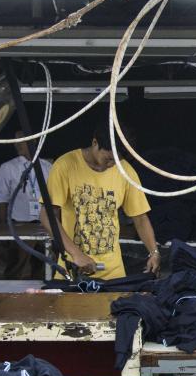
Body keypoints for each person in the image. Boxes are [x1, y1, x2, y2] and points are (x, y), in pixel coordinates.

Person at [40, 118, 160, 280]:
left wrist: (154, 252)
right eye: (108, 158)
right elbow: (47, 215)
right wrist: (76, 254)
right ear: (95, 143)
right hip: (73, 268)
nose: (111, 164)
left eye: (117, 160)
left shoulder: (126, 171)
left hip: (113, 274)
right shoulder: (65, 165)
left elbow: (140, 218)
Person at [0, 130, 52, 279]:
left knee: (45, 264)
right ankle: (10, 293)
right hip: (20, 224)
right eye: (16, 141)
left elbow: (54, 198)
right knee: (18, 264)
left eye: (22, 140)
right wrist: (4, 226)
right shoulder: (8, 167)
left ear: (33, 141)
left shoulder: (47, 166)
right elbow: (2, 199)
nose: (18, 144)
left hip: (43, 223)